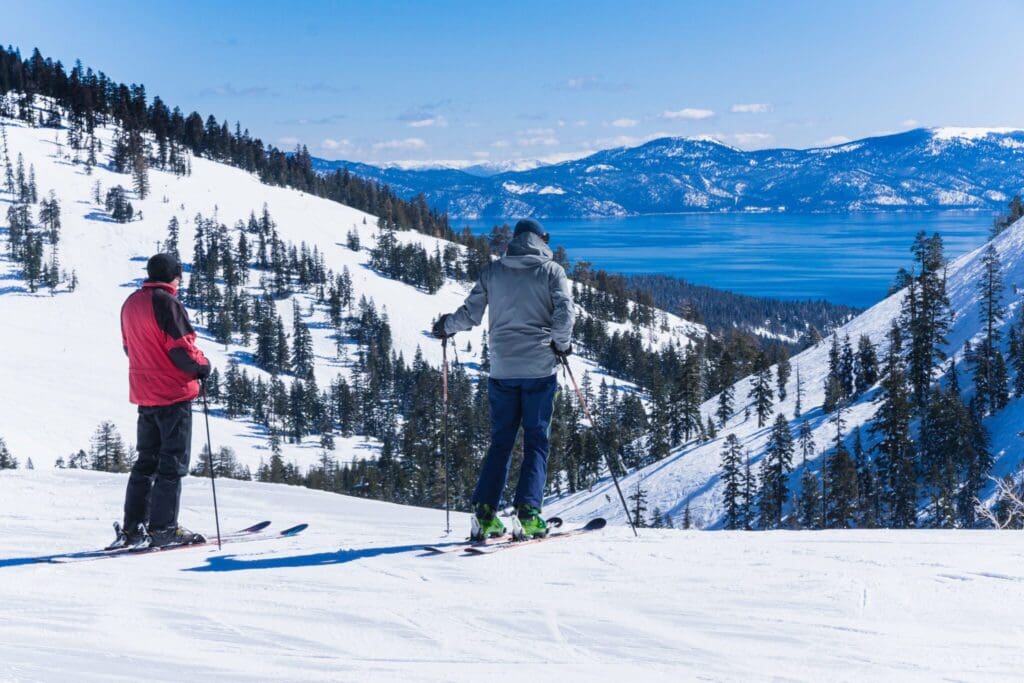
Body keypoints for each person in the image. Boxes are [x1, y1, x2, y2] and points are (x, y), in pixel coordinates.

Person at [433, 219, 575, 541]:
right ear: (541, 239)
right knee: (536, 441)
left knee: (501, 442)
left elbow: (470, 315)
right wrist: (562, 345)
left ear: (515, 240)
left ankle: (484, 515)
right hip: (539, 370)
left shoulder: (493, 272)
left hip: (501, 371)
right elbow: (565, 313)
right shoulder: (552, 272)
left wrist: (446, 326)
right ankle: (527, 514)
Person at [109, 253, 211, 549]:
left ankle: (133, 528)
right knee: (172, 464)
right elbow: (182, 351)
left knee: (146, 462)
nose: (180, 280)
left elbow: (130, 348)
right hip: (172, 394)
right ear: (173, 276)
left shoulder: (130, 303)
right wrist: (203, 365)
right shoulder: (167, 303)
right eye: (179, 275)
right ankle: (164, 528)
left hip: (145, 392)